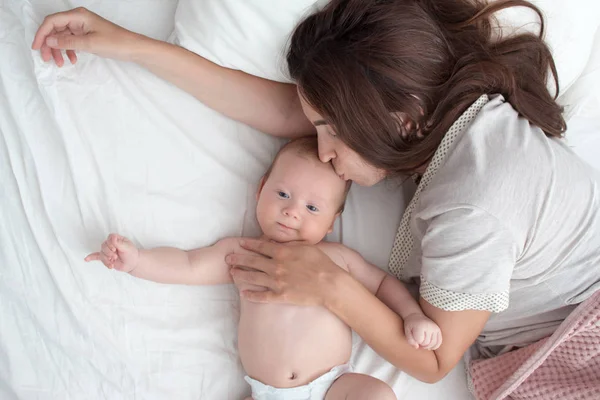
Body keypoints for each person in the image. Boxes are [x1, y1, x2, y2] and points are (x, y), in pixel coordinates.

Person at [33, 0, 600, 385]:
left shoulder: (475, 199)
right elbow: (286, 111)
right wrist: (129, 45)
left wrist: (330, 283)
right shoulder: (435, 112)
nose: (322, 153)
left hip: (574, 343)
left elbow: (431, 360)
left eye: (331, 130)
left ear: (397, 117)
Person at [84, 137, 441, 400]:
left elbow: (381, 286)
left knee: (377, 395)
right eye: (283, 195)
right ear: (260, 191)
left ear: (332, 222)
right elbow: (189, 265)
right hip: (264, 393)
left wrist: (412, 315)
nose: (292, 211)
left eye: (313, 208)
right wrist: (138, 261)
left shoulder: (338, 259)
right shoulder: (244, 252)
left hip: (334, 386)